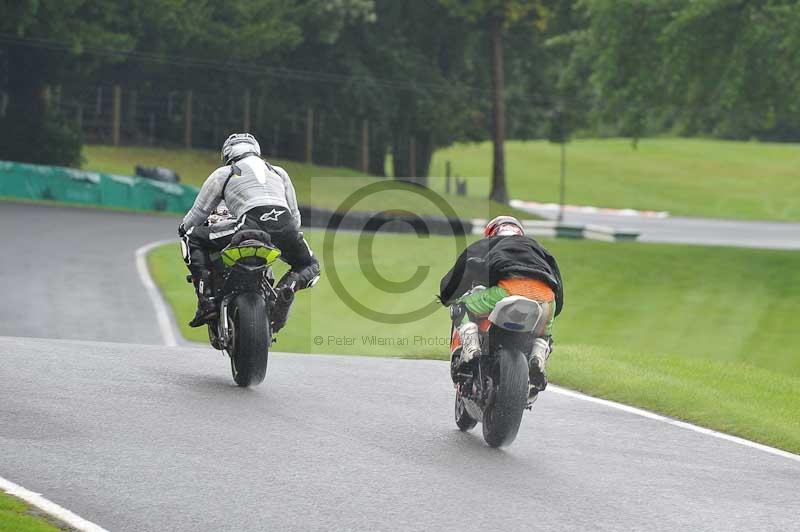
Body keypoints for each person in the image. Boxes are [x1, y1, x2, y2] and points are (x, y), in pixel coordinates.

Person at [179, 133, 320, 331]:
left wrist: (183, 229)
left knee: (192, 238)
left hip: (250, 224)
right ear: (256, 150)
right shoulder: (279, 172)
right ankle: (284, 290)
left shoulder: (224, 173)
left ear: (227, 154)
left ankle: (207, 301)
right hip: (285, 224)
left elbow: (199, 213)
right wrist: (288, 239)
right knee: (310, 264)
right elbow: (295, 217)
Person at [439, 215, 564, 397]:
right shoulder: (539, 249)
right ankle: (538, 357)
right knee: (545, 334)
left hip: (508, 291)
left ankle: (472, 347)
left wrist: (447, 296)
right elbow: (558, 284)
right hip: (546, 299)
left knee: (461, 307)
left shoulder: (490, 243)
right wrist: (554, 308)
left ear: (492, 233)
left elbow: (464, 268)